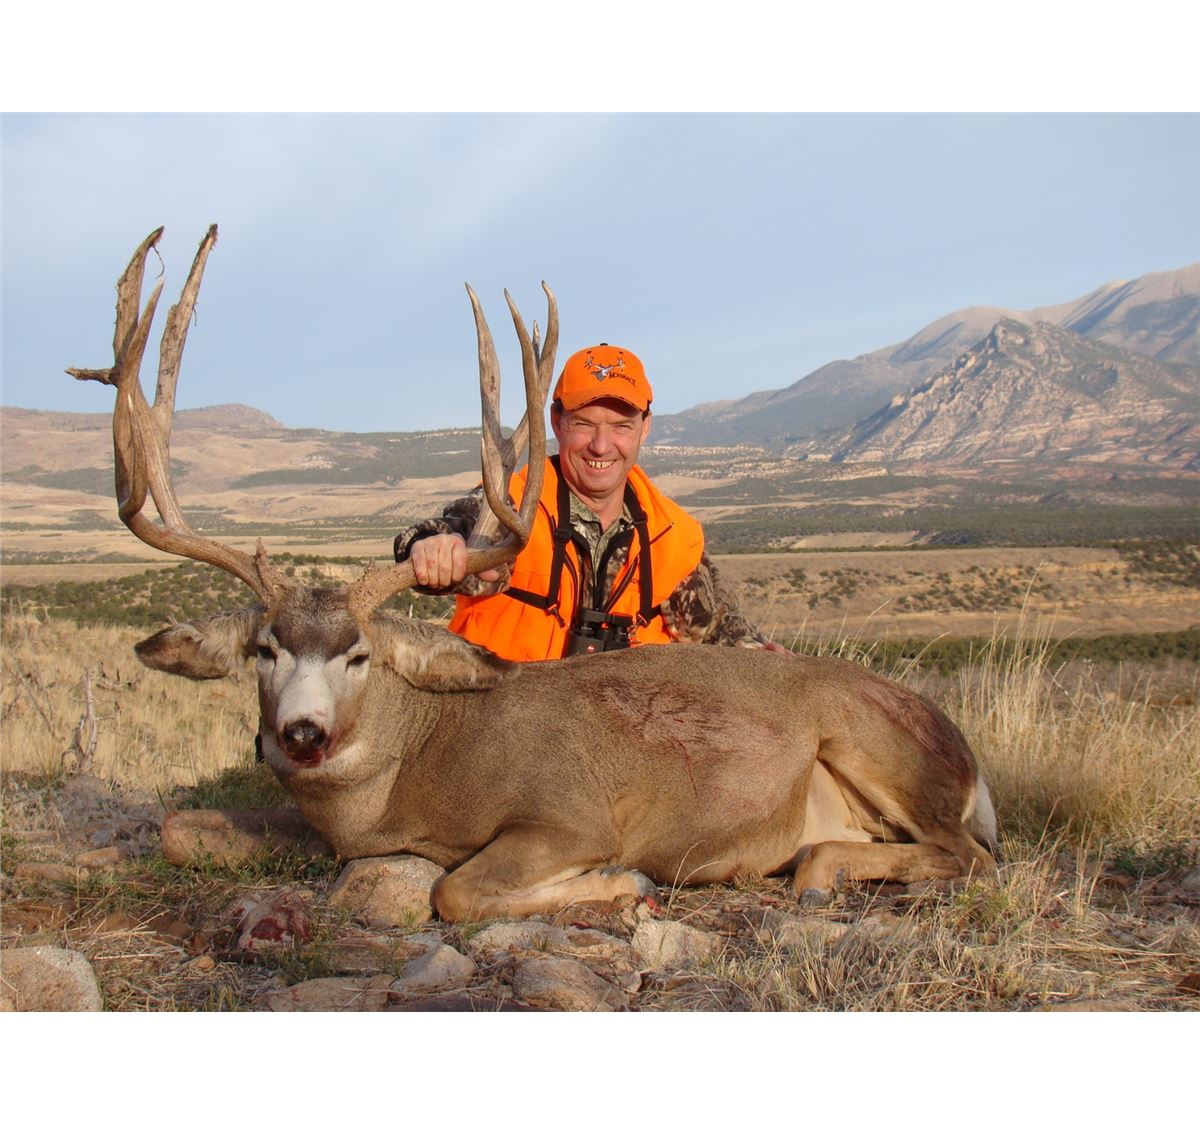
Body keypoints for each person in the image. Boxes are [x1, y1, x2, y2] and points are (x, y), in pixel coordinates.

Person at [393, 343, 784, 661]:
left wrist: (760, 656)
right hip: (509, 720)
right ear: (556, 421)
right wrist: (435, 548)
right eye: (584, 423)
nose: (601, 445)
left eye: (621, 426)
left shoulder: (670, 534)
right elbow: (451, 533)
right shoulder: (510, 507)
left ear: (645, 428)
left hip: (629, 723)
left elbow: (715, 628)